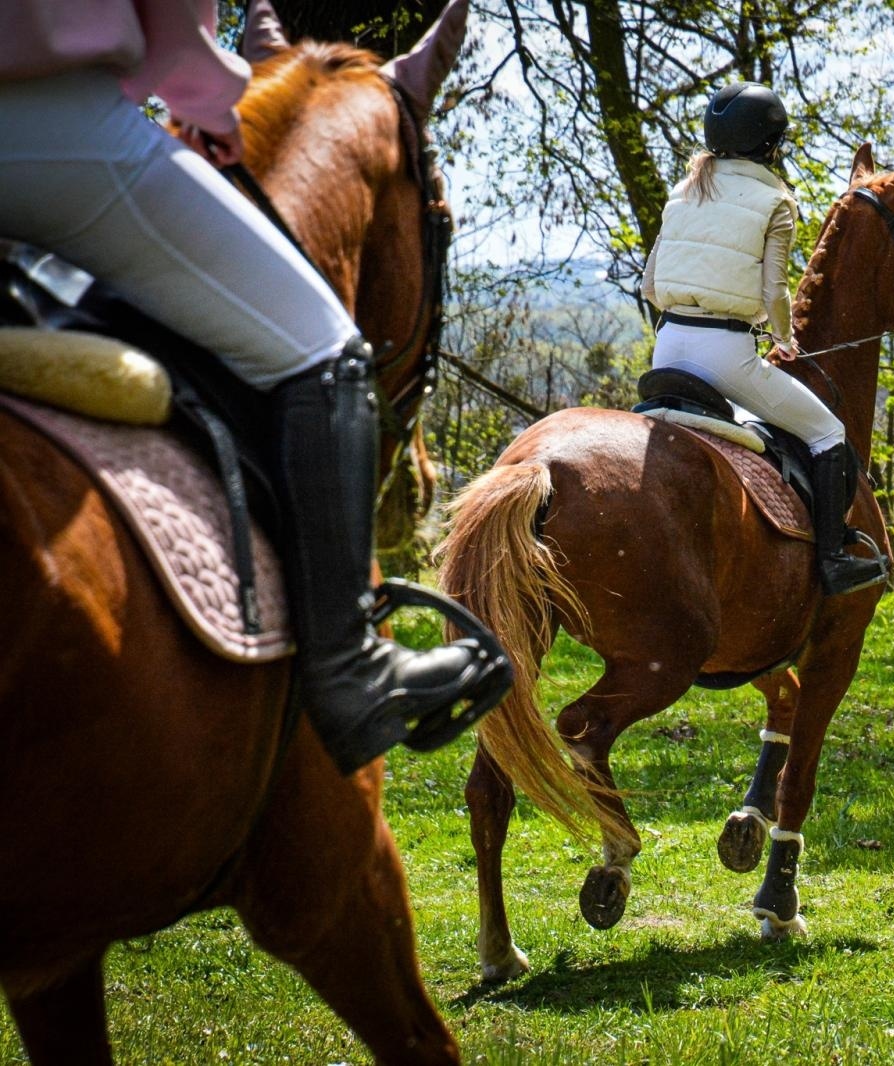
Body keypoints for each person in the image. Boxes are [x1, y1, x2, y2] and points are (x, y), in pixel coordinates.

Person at [0, 0, 511, 773]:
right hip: (50, 121)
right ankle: (353, 674)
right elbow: (172, 28)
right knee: (324, 346)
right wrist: (207, 100)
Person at [643, 81, 887, 596]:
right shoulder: (776, 199)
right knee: (827, 434)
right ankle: (833, 559)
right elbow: (775, 288)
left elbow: (649, 284)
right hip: (727, 355)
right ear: (770, 144)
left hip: (666, 348)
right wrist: (784, 336)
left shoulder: (683, 192)